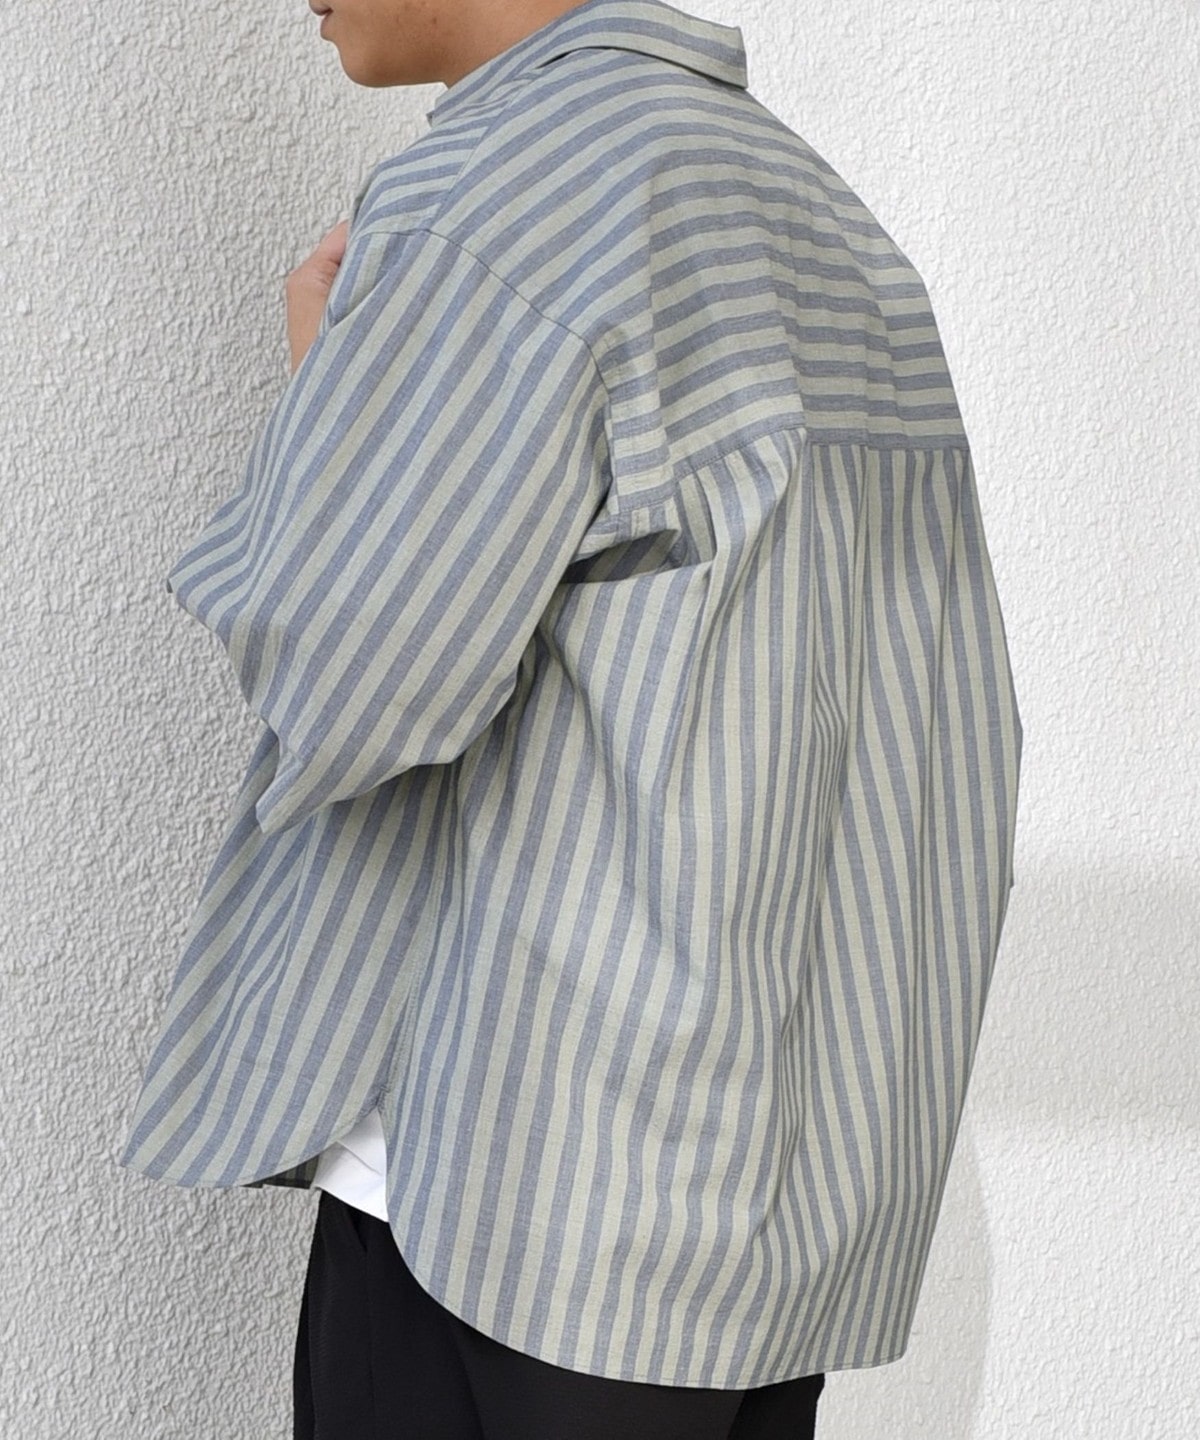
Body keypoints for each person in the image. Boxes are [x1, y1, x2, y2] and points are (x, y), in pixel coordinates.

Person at [117, 0, 1023, 1436]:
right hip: (759, 1210)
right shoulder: (815, 211)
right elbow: (947, 723)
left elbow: (346, 676)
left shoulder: (496, 195)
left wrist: (322, 397)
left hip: (521, 1206)